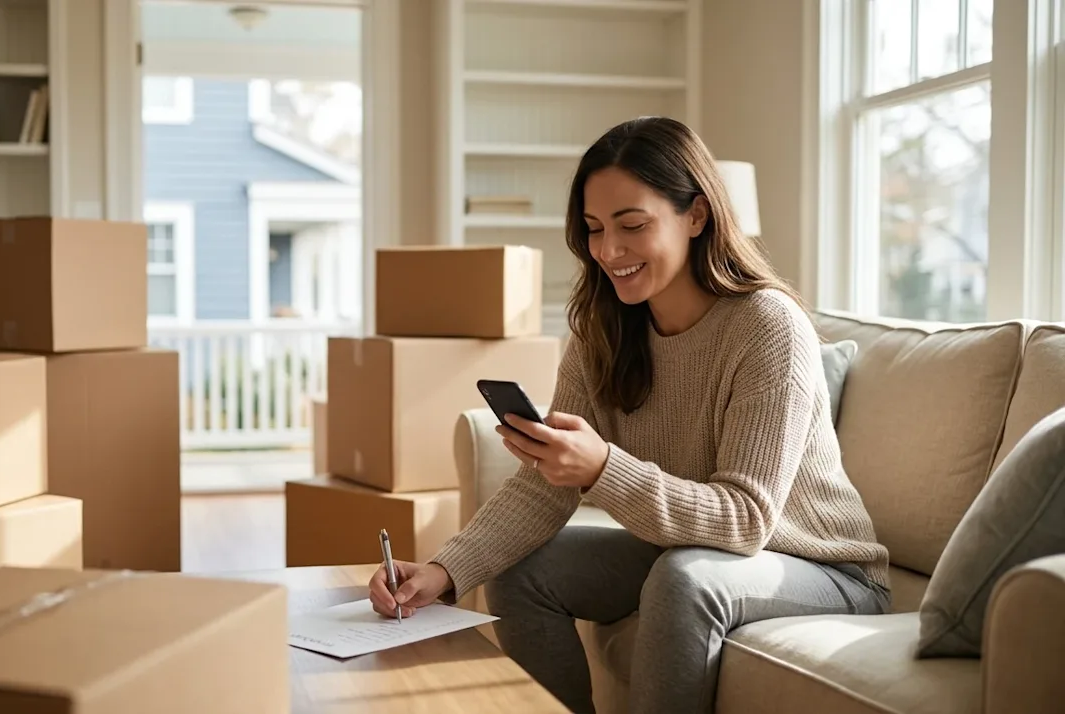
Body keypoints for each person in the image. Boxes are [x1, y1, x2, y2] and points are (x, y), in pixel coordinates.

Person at [367, 116, 891, 714]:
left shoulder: (767, 326)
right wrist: (443, 569)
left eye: (632, 225)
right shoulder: (602, 331)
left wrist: (602, 468)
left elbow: (747, 520)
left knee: (683, 578)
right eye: (594, 229)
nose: (608, 251)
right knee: (521, 571)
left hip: (821, 567)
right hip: (691, 552)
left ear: (696, 216)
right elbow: (540, 492)